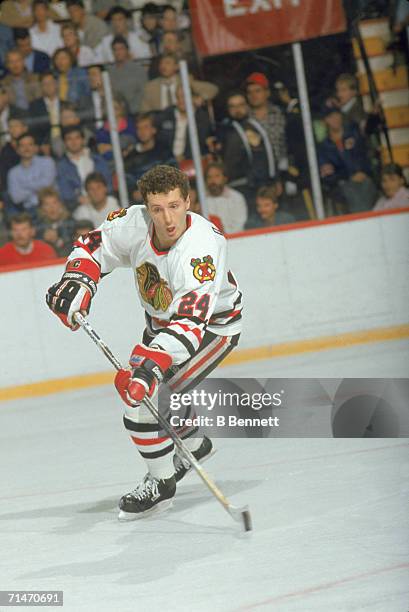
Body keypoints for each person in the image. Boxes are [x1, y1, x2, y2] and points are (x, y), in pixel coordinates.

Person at [46, 164, 242, 520]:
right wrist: (77, 281)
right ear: (146, 208)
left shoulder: (202, 249)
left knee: (143, 401)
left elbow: (189, 322)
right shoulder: (133, 224)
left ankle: (161, 483)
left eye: (174, 206)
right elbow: (93, 246)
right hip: (159, 323)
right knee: (159, 391)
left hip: (210, 328)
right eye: (157, 208)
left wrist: (149, 368)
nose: (167, 218)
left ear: (188, 202)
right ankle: (194, 444)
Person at [317, 104, 378, 213]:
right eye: (330, 117)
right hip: (343, 185)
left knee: (368, 187)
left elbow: (369, 129)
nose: (335, 119)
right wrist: (348, 178)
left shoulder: (354, 132)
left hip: (365, 178)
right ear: (325, 120)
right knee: (352, 192)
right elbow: (328, 175)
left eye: (337, 115)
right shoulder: (324, 147)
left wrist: (374, 116)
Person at [220, 91, 277, 206]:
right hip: (238, 186)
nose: (237, 109)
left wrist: (275, 179)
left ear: (246, 106)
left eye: (240, 105)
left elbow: (267, 154)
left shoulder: (256, 125)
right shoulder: (223, 130)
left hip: (263, 184)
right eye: (233, 106)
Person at [140, 52, 218, 113]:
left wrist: (200, 98)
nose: (163, 66)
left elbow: (212, 89)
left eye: (167, 63)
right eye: (161, 63)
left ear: (176, 66)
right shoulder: (150, 86)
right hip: (160, 123)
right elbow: (145, 110)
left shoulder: (185, 80)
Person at [56, 125, 112, 210]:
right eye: (69, 139)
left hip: (103, 202)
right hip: (78, 206)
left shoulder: (98, 160)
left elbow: (108, 184)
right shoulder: (61, 166)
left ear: (83, 140)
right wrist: (78, 200)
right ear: (64, 142)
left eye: (77, 138)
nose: (74, 142)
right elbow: (65, 193)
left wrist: (98, 198)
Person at [157, 84, 213, 162]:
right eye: (178, 97)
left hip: (190, 161)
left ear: (193, 98)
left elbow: (200, 144)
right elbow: (160, 141)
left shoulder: (202, 118)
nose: (180, 100)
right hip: (166, 160)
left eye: (184, 96)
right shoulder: (167, 114)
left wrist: (184, 157)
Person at [245, 72, 288, 172]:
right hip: (257, 173)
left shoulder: (281, 114)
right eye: (249, 92)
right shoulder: (244, 119)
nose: (253, 95)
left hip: (283, 170)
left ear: (267, 93)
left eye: (257, 91)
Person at [7, 131, 56, 212]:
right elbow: (16, 198)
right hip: (28, 210)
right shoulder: (13, 173)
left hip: (50, 207)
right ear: (17, 150)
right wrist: (38, 187)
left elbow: (47, 184)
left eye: (30, 144)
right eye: (22, 145)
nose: (26, 148)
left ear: (36, 148)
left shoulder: (47, 162)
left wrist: (24, 186)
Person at [125, 112, 175, 182]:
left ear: (154, 130)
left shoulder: (164, 152)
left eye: (146, 127)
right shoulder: (131, 156)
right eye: (139, 128)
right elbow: (128, 179)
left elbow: (172, 174)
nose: (142, 131)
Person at [106, 36, 148, 116]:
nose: (118, 52)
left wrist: (130, 109)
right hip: (115, 113)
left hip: (136, 112)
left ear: (127, 50)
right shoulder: (109, 72)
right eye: (115, 50)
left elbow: (143, 92)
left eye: (121, 49)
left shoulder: (138, 70)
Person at [204, 162, 248, 234]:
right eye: (209, 177)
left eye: (217, 176)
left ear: (225, 178)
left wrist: (224, 236)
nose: (213, 180)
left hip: (236, 239)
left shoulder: (237, 198)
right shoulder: (202, 200)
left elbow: (240, 224)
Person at [36, 186, 76, 256]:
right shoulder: (38, 227)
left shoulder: (71, 223)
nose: (52, 207)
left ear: (60, 204)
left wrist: (57, 241)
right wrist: (43, 241)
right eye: (47, 204)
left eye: (54, 203)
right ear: (42, 208)